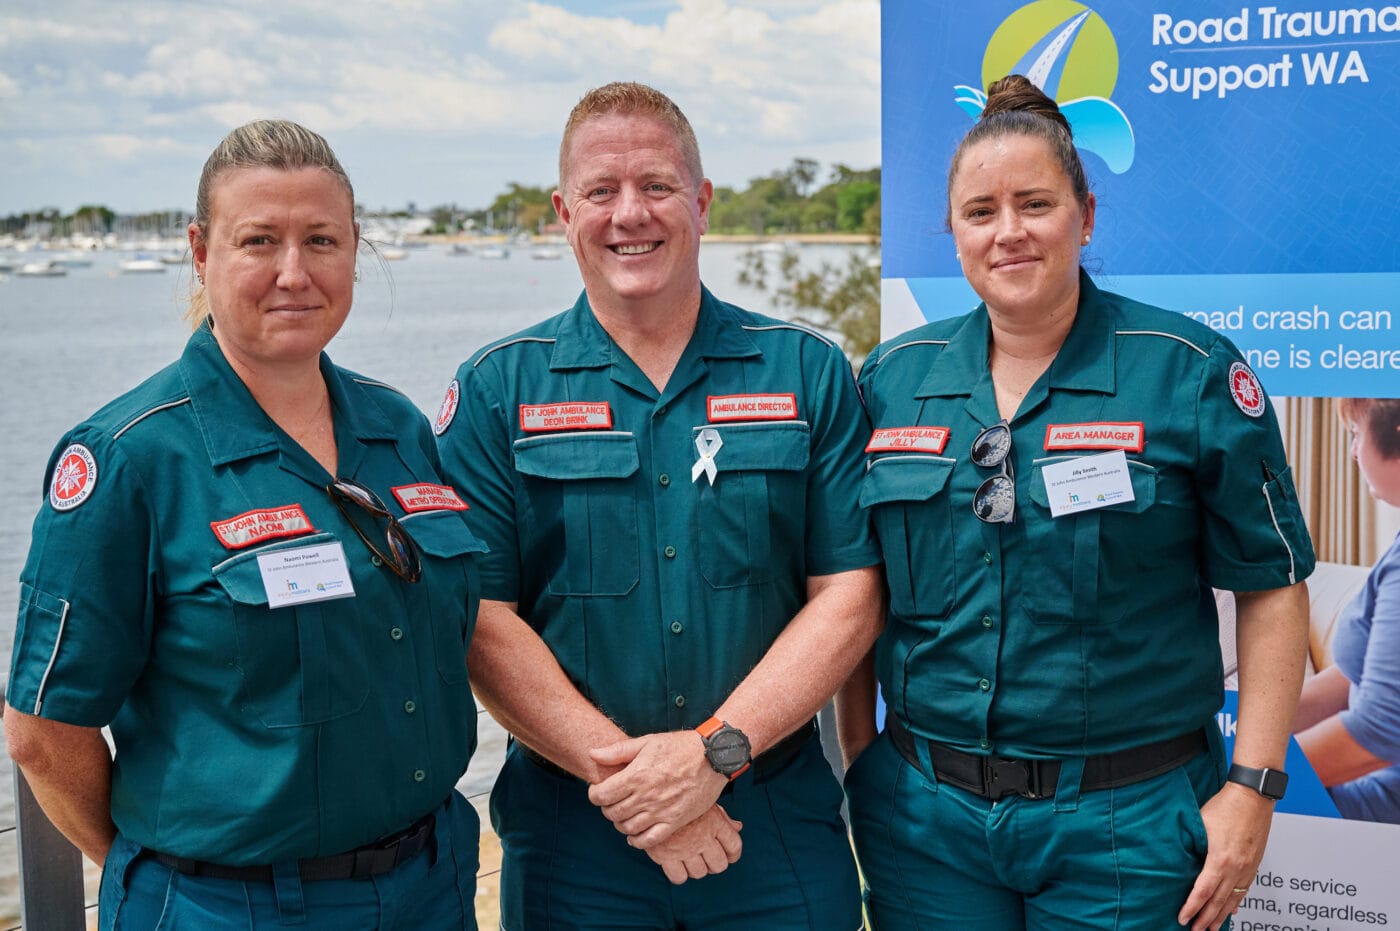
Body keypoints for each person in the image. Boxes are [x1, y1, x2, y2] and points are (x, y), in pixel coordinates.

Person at [841, 75, 1315, 931]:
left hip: (1124, 826)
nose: (1008, 232)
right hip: (925, 825)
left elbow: (1273, 584)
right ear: (952, 231)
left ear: (1086, 216)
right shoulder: (891, 379)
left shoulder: (1189, 370)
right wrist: (857, 753)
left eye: (1035, 203)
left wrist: (1252, 788)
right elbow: (850, 587)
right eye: (981, 211)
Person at [3, 120, 484, 930]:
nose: (293, 273)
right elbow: (44, 730)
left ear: (356, 251)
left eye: (321, 239)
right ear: (200, 251)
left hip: (431, 884)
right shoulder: (128, 458)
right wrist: (161, 869)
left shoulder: (396, 428)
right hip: (228, 904)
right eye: (258, 239)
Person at [435, 81, 882, 930]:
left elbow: (850, 596)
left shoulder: (805, 372)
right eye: (601, 191)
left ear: (703, 202)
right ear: (563, 211)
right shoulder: (498, 390)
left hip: (773, 824)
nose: (628, 213)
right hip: (576, 836)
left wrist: (714, 754)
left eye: (658, 186)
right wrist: (642, 790)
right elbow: (483, 620)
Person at [1293, 398, 1400, 823]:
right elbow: (1355, 679)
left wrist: (1247, 779)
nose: (1352, 452)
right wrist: (1239, 732)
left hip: (1380, 802)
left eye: (1355, 434)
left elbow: (1377, 734)